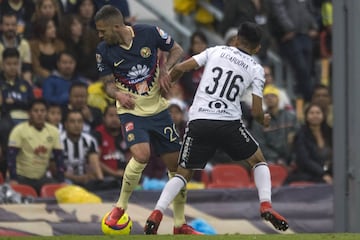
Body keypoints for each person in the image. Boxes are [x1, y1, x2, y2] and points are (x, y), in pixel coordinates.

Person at [144, 22, 289, 234]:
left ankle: (157, 212)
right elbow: (257, 112)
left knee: (182, 174)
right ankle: (266, 204)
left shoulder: (216, 50)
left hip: (199, 120)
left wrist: (163, 88)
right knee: (258, 161)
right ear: (258, 48)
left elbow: (182, 67)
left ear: (236, 39)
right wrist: (263, 119)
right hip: (228, 123)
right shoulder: (256, 69)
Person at [94, 5, 200, 234]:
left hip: (159, 110)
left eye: (102, 30)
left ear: (116, 26)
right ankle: (120, 207)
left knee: (178, 169)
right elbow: (107, 83)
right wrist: (119, 94)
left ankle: (179, 224)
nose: (100, 35)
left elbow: (177, 49)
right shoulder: (103, 49)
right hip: (131, 111)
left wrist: (165, 70)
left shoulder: (149, 32)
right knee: (141, 155)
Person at [7, 98, 65, 195]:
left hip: (42, 178)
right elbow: (11, 157)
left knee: (63, 191)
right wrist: (13, 179)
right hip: (21, 178)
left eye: (42, 111)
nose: (39, 114)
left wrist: (61, 180)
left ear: (46, 113)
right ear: (29, 113)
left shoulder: (53, 131)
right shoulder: (18, 130)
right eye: (36, 111)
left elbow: (59, 158)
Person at [285, 103, 332, 184]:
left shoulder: (330, 132)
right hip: (308, 173)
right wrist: (323, 173)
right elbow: (304, 160)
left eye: (318, 113)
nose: (315, 115)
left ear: (323, 115)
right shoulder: (301, 134)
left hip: (329, 171)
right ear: (306, 116)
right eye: (311, 113)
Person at [61, 110, 104, 188]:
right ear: (65, 124)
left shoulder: (90, 141)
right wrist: (75, 178)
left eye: (80, 121)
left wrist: (100, 180)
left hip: (85, 180)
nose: (76, 125)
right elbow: (55, 169)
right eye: (72, 121)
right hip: (64, 180)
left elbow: (94, 164)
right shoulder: (59, 141)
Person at [93, 105, 130, 182]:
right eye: (111, 115)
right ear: (104, 118)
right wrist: (115, 173)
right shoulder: (98, 134)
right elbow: (95, 161)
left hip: (125, 176)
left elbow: (131, 157)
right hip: (105, 177)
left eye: (117, 116)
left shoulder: (127, 134)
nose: (114, 119)